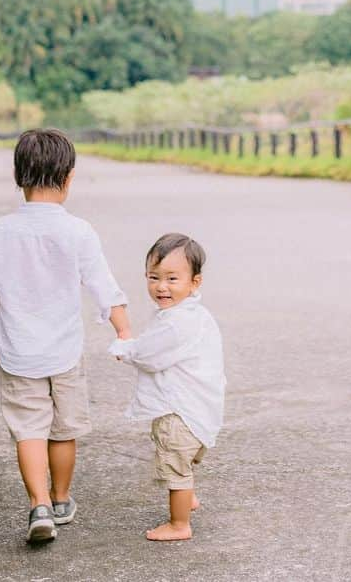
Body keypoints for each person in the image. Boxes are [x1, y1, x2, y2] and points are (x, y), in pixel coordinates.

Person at [0, 128, 130, 544]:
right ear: (69, 178)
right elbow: (102, 284)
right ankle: (62, 499)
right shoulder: (78, 230)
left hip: (17, 350)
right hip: (64, 350)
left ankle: (38, 504)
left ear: (17, 176)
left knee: (28, 429)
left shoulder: (1, 230)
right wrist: (124, 330)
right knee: (63, 429)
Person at [109, 232, 225, 542]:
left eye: (172, 278)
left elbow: (150, 355)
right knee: (184, 459)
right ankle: (189, 499)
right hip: (200, 409)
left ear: (194, 282)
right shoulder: (194, 314)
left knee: (175, 465)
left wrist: (126, 348)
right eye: (154, 277)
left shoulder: (176, 323)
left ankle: (179, 523)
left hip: (180, 411)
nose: (162, 286)